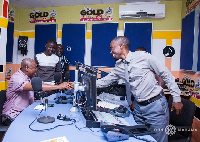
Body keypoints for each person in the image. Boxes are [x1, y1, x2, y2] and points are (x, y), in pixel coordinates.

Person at [96, 36, 183, 142]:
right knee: (140, 138)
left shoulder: (144, 57)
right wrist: (83, 84)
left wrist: (176, 98)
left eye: (112, 48)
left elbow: (166, 75)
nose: (110, 51)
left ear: (121, 46)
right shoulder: (119, 66)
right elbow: (105, 81)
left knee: (158, 139)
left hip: (155, 105)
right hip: (138, 107)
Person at [2, 58, 74, 126]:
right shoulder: (17, 78)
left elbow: (39, 85)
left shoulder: (28, 76)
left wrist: (66, 85)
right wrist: (59, 86)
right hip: (13, 116)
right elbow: (38, 87)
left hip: (25, 112)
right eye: (34, 68)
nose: (36, 70)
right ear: (26, 68)